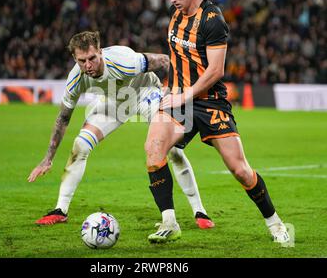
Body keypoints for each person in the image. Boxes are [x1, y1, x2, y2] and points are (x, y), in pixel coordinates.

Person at [144, 0, 290, 244]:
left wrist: (185, 95)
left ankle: (275, 223)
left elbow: (215, 71)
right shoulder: (175, 17)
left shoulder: (212, 19)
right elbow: (178, 59)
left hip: (210, 102)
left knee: (240, 170)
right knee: (153, 149)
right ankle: (169, 222)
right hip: (178, 99)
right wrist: (170, 91)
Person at [27, 30, 215, 230]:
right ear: (74, 58)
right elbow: (63, 117)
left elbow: (164, 61)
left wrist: (171, 90)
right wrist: (48, 158)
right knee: (80, 145)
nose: (88, 65)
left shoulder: (123, 60)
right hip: (113, 104)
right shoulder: (76, 77)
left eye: (92, 58)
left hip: (145, 94)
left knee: (172, 149)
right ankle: (60, 210)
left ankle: (199, 210)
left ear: (100, 51)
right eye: (82, 61)